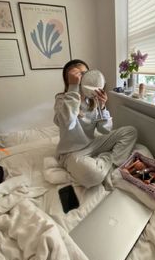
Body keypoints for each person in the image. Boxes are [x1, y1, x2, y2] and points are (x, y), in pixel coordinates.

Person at [54, 59, 137, 188]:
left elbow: (104, 130)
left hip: (92, 144)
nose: (84, 77)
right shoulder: (62, 100)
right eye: (78, 75)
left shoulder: (92, 100)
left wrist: (102, 106)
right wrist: (73, 88)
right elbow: (67, 123)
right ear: (70, 79)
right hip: (71, 152)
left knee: (130, 131)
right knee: (93, 175)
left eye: (85, 73)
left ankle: (110, 163)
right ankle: (109, 161)